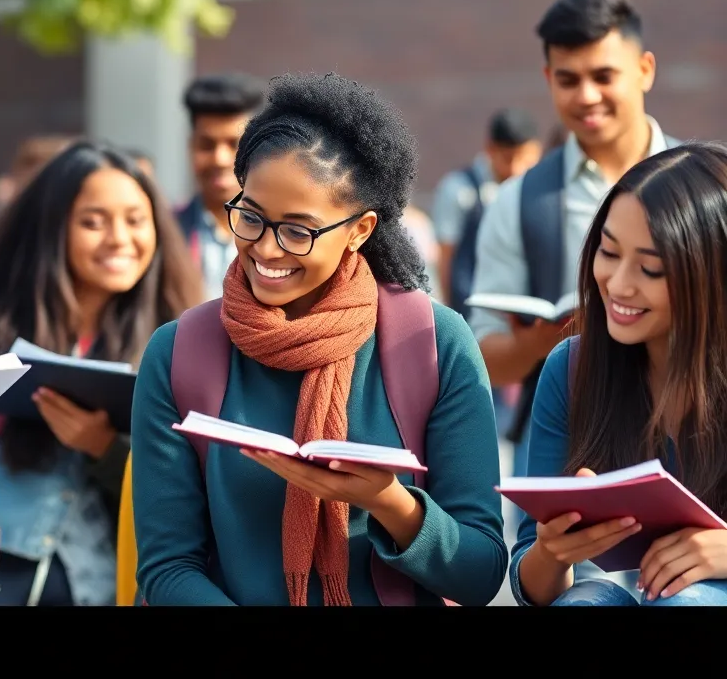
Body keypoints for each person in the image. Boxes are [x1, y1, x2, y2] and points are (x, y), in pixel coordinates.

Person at [130, 72, 507, 607]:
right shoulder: (178, 352)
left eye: (298, 231)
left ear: (360, 229)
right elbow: (168, 568)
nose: (266, 249)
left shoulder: (433, 342)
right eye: (251, 218)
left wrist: (390, 503)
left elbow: (481, 572)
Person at [0, 140, 202, 605]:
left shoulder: (181, 341)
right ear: (51, 229)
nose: (119, 239)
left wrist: (103, 446)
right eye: (92, 221)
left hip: (103, 581)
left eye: (135, 220)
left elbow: (187, 494)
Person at [470, 0, 680, 488]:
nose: (586, 95)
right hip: (572, 439)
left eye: (603, 76)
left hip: (695, 430)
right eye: (568, 79)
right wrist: (543, 342)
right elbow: (485, 360)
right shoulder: (517, 201)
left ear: (645, 70)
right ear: (548, 80)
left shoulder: (709, 189)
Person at [510, 142, 727, 606]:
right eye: (608, 252)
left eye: (651, 268)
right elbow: (531, 583)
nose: (618, 284)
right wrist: (552, 551)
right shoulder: (571, 369)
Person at [432, 108, 542, 320]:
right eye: (508, 158)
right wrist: (449, 314)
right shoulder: (459, 190)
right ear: (490, 149)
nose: (516, 168)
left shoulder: (538, 189)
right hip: (472, 310)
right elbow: (446, 256)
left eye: (525, 158)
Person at [175, 73, 266, 302]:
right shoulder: (167, 231)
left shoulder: (282, 234)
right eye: (207, 145)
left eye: (234, 144)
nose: (220, 159)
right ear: (190, 147)